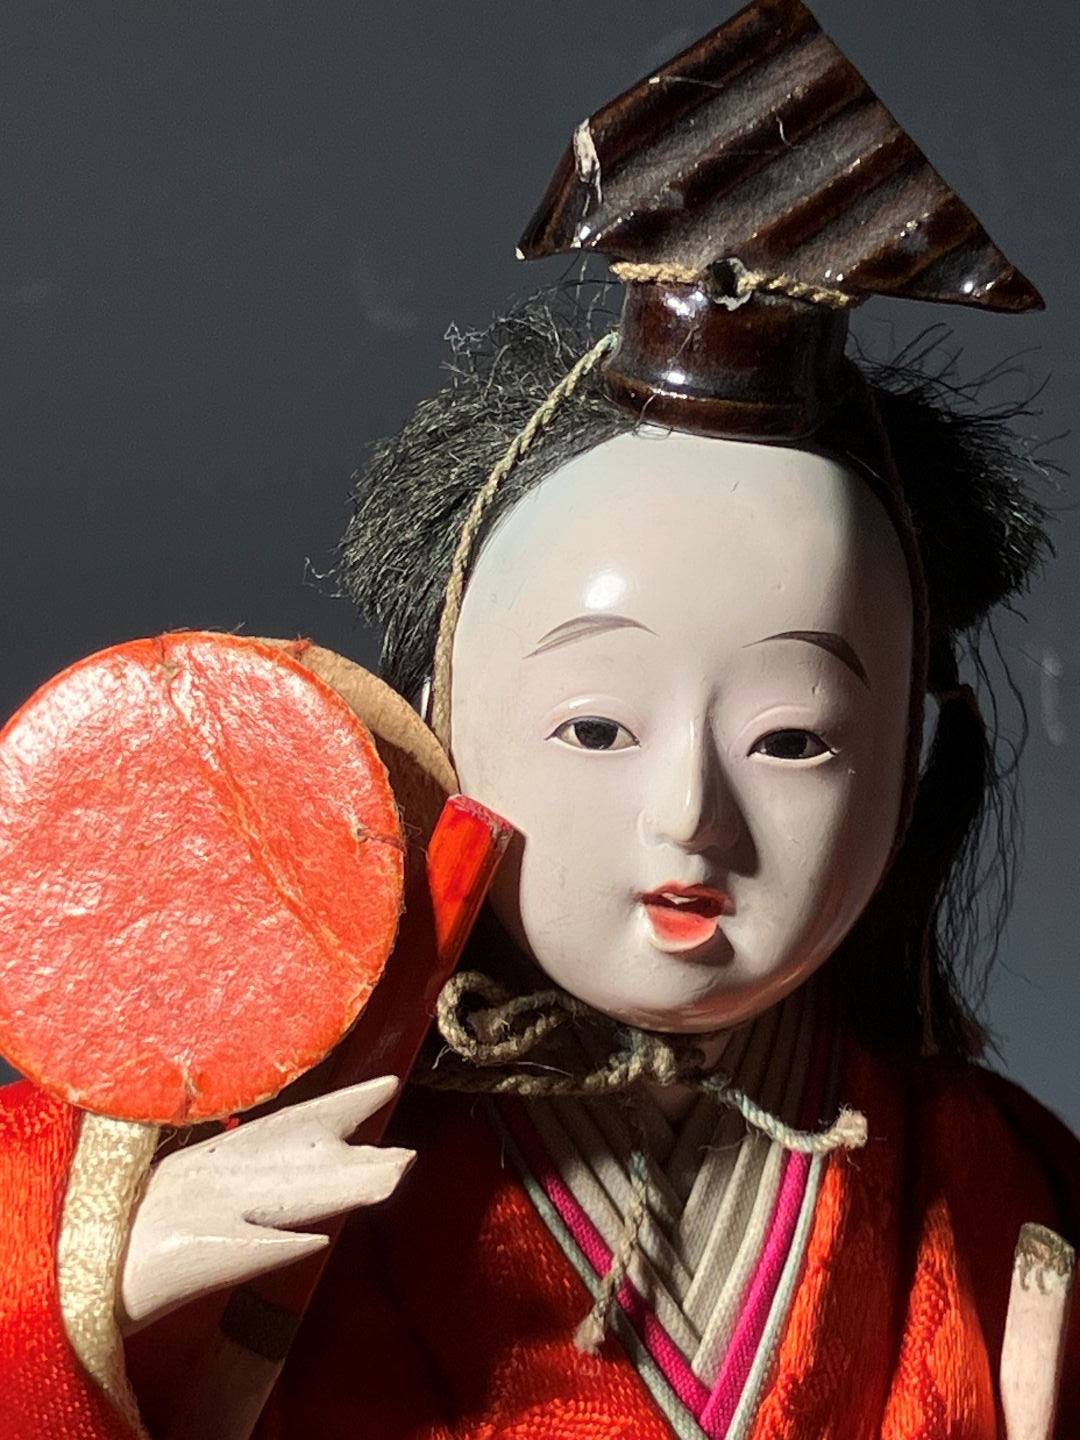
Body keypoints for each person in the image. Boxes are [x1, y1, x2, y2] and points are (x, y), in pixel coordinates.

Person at [2, 2, 1077, 1437]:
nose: (689, 815)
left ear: (910, 761)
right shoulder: (194, 1151)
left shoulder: (982, 1171)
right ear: (440, 709)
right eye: (593, 728)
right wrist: (99, 1304)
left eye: (795, 738)